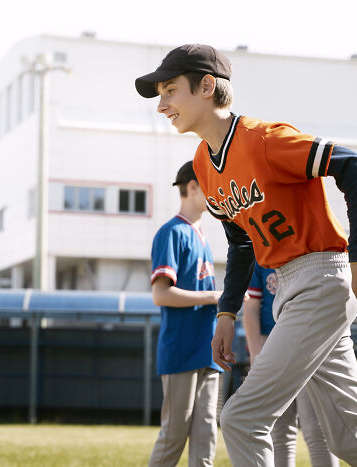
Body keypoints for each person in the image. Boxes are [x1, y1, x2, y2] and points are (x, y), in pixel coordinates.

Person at [135, 44, 357, 466]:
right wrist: (226, 313)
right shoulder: (203, 163)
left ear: (207, 85)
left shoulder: (263, 139)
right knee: (349, 436)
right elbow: (241, 243)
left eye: (170, 90)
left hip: (321, 276)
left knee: (242, 418)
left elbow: (354, 167)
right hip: (291, 286)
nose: (162, 105)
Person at [148, 160, 224, 467]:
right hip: (181, 348)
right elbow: (160, 294)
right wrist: (215, 297)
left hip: (207, 349)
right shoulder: (172, 232)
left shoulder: (201, 233)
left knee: (206, 435)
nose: (216, 190)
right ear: (192, 186)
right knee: (174, 434)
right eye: (210, 182)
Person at [244, 264, 339, 467]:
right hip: (271, 342)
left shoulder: (308, 248)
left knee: (316, 426)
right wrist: (255, 354)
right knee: (279, 428)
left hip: (308, 340)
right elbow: (251, 308)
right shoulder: (260, 254)